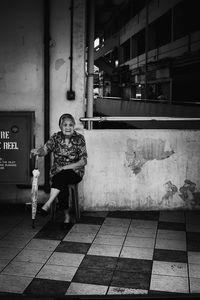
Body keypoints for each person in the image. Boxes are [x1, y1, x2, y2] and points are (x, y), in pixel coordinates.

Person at [30, 113, 87, 229]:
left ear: (74, 126)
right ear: (60, 126)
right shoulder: (55, 138)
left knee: (61, 177)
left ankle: (48, 204)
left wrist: (66, 167)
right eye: (65, 125)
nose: (68, 127)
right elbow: (45, 150)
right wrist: (38, 152)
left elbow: (83, 161)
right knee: (61, 180)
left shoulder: (79, 138)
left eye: (71, 125)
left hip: (75, 172)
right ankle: (66, 217)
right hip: (57, 172)